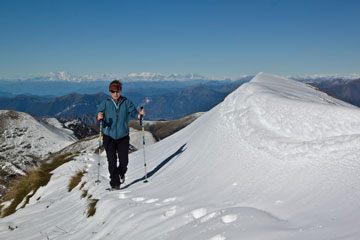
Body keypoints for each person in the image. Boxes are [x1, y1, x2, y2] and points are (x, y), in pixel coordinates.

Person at [96, 80, 145, 190]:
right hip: (109, 136)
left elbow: (133, 112)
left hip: (123, 136)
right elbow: (98, 116)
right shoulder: (105, 103)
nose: (115, 93)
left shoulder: (126, 102)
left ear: (120, 91)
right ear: (110, 92)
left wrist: (139, 115)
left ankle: (120, 173)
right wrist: (99, 117)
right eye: (112, 91)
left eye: (117, 91)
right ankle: (115, 185)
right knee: (111, 161)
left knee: (124, 161)